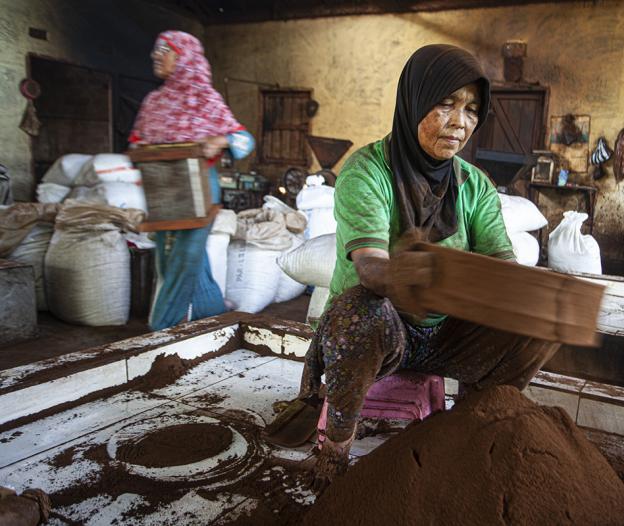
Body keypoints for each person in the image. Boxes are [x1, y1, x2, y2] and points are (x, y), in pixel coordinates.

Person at [278, 44, 561, 489]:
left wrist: (540, 297)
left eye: (471, 109)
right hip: (381, 332)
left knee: (541, 312)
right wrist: (421, 273)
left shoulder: (474, 186)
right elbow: (371, 269)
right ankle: (334, 449)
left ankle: (469, 423)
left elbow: (503, 270)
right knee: (358, 310)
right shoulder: (368, 172)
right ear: (413, 100)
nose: (460, 122)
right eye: (445, 103)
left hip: (446, 333)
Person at [129, 31, 255, 330]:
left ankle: (160, 330)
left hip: (199, 189)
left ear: (184, 57)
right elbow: (137, 140)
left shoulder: (205, 99)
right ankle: (212, 316)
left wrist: (219, 140)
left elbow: (243, 140)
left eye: (164, 49)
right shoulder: (154, 101)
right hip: (162, 191)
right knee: (175, 260)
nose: (155, 55)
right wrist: (140, 152)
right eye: (156, 49)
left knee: (181, 261)